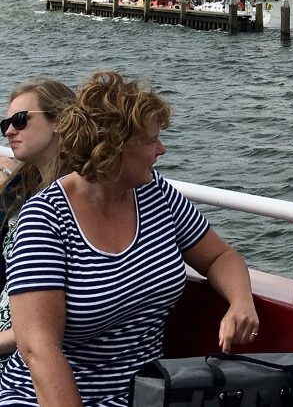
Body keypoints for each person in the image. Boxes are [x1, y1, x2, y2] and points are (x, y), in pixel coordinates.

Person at [0, 70, 259, 406]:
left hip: (144, 394)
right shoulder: (46, 218)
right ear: (111, 149)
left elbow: (219, 257)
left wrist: (241, 302)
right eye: (151, 141)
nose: (162, 149)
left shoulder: (157, 194)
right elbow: (39, 349)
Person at [0, 79, 76, 370]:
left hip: (22, 351)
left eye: (20, 120)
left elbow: (50, 323)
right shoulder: (20, 187)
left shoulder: (76, 200)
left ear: (59, 121)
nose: (9, 130)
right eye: (5, 123)